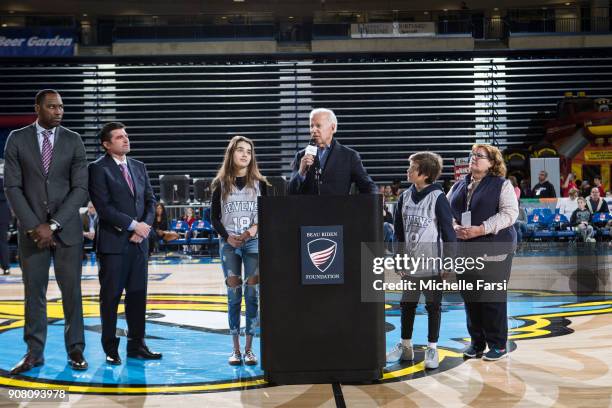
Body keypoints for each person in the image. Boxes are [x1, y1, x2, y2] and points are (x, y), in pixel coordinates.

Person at [4, 89, 89, 374]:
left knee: (72, 294)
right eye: (52, 107)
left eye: (61, 107)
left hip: (66, 231)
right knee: (34, 294)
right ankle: (34, 353)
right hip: (32, 233)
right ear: (38, 108)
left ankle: (76, 350)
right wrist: (34, 226)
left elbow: (80, 189)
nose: (59, 111)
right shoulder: (16, 139)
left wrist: (52, 225)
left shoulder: (74, 140)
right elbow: (12, 187)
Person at [88, 122, 161, 365]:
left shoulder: (139, 166)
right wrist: (133, 225)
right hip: (113, 245)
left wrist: (144, 229)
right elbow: (104, 207)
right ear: (106, 144)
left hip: (139, 244)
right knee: (110, 298)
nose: (125, 139)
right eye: (119, 137)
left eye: (126, 135)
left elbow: (151, 201)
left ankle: (137, 345)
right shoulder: (97, 169)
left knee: (138, 296)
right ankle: (110, 347)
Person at [448, 144, 518, 361]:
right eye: (472, 155)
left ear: (492, 163)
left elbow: (509, 214)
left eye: (480, 156)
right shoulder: (459, 185)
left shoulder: (502, 184)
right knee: (470, 296)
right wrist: (454, 226)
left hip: (494, 248)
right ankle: (477, 342)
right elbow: (444, 210)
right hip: (465, 249)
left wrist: (481, 229)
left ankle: (498, 344)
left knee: (492, 297)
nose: (474, 158)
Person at [386, 152, 456, 369]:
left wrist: (449, 263)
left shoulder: (438, 197)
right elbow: (398, 233)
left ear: (424, 174)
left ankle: (432, 348)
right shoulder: (404, 197)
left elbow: (448, 234)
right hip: (410, 264)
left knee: (433, 306)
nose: (408, 171)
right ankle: (405, 345)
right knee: (406, 305)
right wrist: (398, 259)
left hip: (432, 265)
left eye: (412, 167)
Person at [211, 135, 268, 366]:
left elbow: (267, 214)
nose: (245, 154)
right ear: (231, 154)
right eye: (240, 150)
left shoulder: (260, 183)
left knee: (252, 295)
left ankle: (249, 348)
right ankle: (235, 349)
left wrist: (251, 231)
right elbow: (214, 218)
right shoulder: (220, 183)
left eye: (249, 151)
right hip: (229, 244)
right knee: (234, 295)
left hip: (253, 242)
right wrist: (228, 237)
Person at [288, 108, 377, 195]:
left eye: (318, 126)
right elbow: (290, 192)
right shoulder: (301, 156)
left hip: (338, 209)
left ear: (333, 128)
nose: (313, 130)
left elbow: (368, 186)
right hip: (308, 209)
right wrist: (301, 172)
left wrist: (377, 205)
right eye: (311, 126)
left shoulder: (349, 156)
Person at [0, 161, 11, 275]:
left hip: (3, 213)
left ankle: (6, 266)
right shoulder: (6, 170)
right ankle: (6, 267)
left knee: (3, 242)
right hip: (3, 213)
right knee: (3, 242)